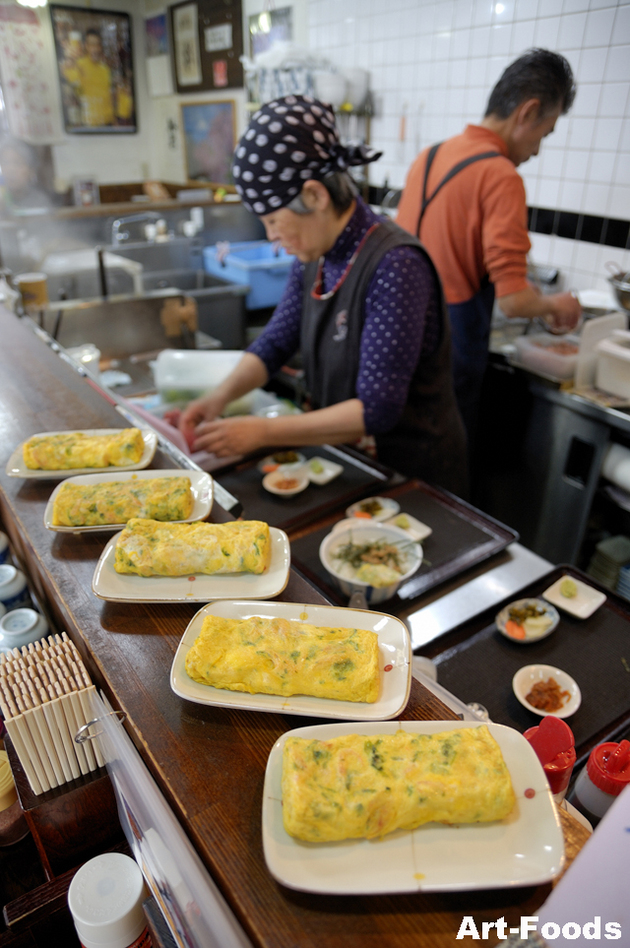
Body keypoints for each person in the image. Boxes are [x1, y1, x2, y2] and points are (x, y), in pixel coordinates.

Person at [179, 94, 468, 497]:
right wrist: (218, 397)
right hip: (350, 464)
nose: (272, 237)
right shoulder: (315, 252)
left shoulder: (396, 265)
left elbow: (377, 408)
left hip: (410, 477)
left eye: (274, 220)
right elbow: (278, 339)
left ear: (315, 196)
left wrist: (263, 432)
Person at [396, 48, 582, 443]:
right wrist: (556, 304)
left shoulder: (428, 157)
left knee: (406, 452)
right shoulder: (500, 175)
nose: (536, 150)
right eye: (543, 134)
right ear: (527, 113)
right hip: (451, 347)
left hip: (399, 329)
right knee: (448, 462)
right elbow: (514, 301)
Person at [61, 28, 115, 128]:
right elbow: (68, 77)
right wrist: (69, 58)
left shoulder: (105, 69)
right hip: (88, 124)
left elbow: (110, 96)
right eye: (92, 45)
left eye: (98, 44)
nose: (95, 49)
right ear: (86, 46)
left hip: (107, 123)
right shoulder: (79, 65)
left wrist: (114, 122)